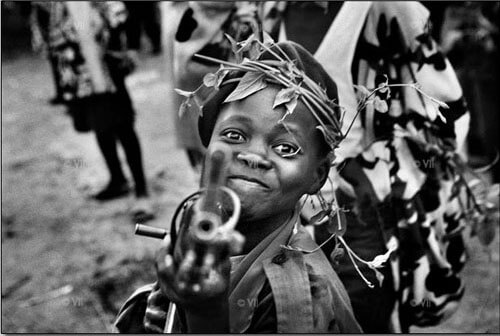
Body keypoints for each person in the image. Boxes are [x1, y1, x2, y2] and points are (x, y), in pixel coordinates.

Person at [114, 41, 363, 333]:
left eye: (285, 148)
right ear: (207, 149)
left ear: (317, 176)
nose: (253, 157)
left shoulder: (301, 300)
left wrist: (204, 314)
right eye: (234, 134)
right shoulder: (199, 233)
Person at [262, 1, 471, 332]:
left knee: (362, 316)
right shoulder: (270, 11)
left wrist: (374, 169)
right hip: (287, 207)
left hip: (361, 210)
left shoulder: (389, 10)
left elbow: (447, 118)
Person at [35, 2, 153, 220]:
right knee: (100, 125)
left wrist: (131, 47)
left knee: (124, 126)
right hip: (76, 71)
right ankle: (117, 179)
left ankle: (141, 190)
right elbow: (49, 37)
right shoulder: (53, 8)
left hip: (108, 68)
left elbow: (128, 14)